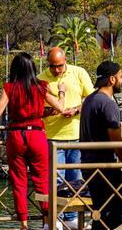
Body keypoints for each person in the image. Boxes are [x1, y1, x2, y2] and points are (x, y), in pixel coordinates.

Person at [0, 53, 66, 230]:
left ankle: (24, 224)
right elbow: (60, 107)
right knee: (42, 180)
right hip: (37, 136)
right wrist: (62, 91)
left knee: (19, 181)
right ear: (32, 69)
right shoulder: (41, 86)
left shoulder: (10, 87)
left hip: (17, 136)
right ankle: (46, 222)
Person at [38, 46, 95, 230]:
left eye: (60, 66)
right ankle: (56, 218)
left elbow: (91, 97)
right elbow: (37, 109)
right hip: (52, 137)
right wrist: (56, 110)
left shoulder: (79, 73)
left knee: (75, 179)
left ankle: (71, 219)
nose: (56, 70)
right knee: (55, 180)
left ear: (66, 61)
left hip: (77, 135)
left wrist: (77, 109)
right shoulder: (40, 79)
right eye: (53, 66)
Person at [80, 61, 122, 230]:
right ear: (112, 79)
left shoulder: (90, 100)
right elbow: (115, 138)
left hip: (88, 164)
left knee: (101, 212)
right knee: (116, 212)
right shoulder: (108, 104)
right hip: (105, 166)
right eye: (121, 77)